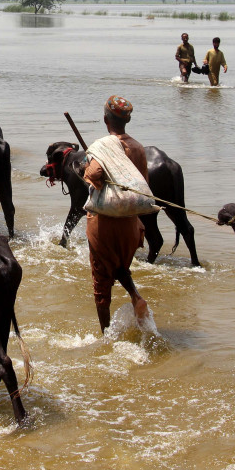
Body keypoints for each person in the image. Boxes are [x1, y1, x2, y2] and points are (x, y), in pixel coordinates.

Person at [82, 96, 151, 333]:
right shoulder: (139, 148)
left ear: (105, 120)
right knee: (121, 265)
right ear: (127, 121)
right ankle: (135, 296)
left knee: (101, 286)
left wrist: (85, 169)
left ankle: (106, 338)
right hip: (131, 227)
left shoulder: (103, 146)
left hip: (105, 226)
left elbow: (95, 175)